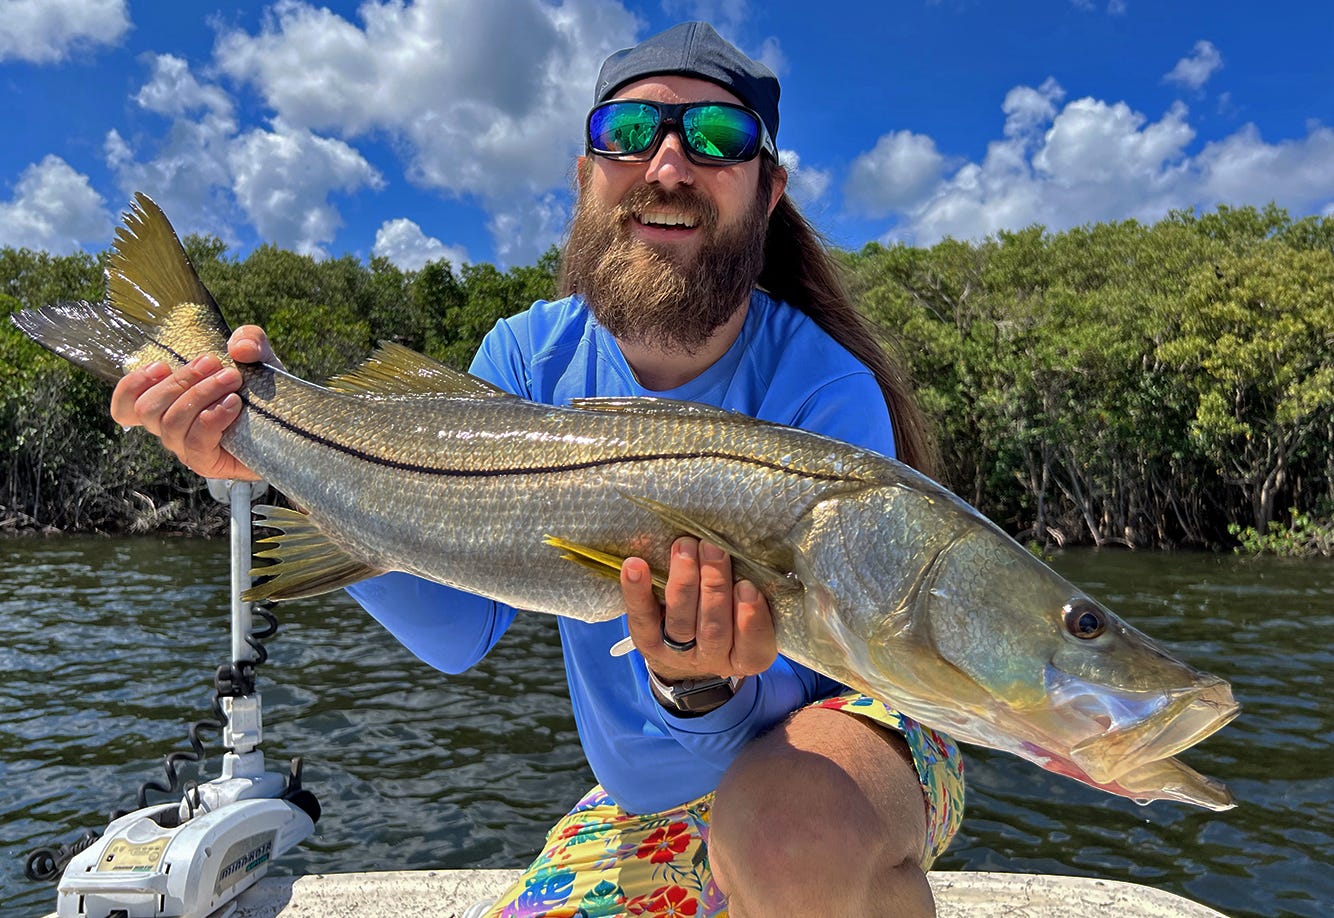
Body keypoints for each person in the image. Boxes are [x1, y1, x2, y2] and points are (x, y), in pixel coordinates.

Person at [111, 22, 964, 917]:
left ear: (770, 187)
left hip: (853, 753)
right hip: (647, 807)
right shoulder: (525, 357)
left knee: (790, 835)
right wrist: (270, 454)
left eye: (718, 138)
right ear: (586, 173)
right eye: (627, 134)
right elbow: (454, 632)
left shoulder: (826, 385)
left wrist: (700, 687)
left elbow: (842, 681)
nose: (668, 166)